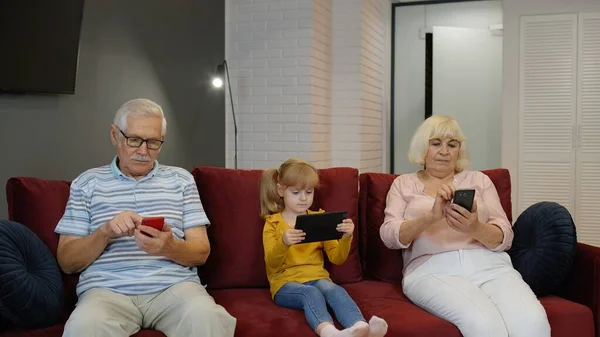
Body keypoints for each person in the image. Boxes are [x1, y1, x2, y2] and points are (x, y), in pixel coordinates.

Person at [55, 98, 236, 337]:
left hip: (174, 288)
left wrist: (169, 247)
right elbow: (67, 261)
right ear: (114, 135)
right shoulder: (87, 183)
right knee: (83, 327)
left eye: (153, 142)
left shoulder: (181, 181)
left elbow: (201, 252)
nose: (143, 151)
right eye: (134, 140)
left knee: (207, 317)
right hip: (107, 291)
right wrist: (105, 232)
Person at [380, 115, 551, 337]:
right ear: (423, 148)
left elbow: (505, 236)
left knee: (532, 323)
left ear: (459, 150)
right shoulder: (403, 184)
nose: (444, 151)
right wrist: (430, 217)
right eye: (436, 144)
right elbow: (389, 236)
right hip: (432, 270)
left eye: (452, 145)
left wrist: (475, 227)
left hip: (490, 266)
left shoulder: (480, 180)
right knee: (485, 325)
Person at [260, 158, 388, 337]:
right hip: (285, 284)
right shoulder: (273, 223)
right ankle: (329, 332)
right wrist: (284, 243)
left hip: (318, 278)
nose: (303, 198)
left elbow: (337, 258)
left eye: (309, 192)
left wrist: (346, 237)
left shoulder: (318, 219)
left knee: (334, 289)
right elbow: (271, 264)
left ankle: (360, 327)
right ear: (281, 190)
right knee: (310, 293)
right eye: (296, 192)